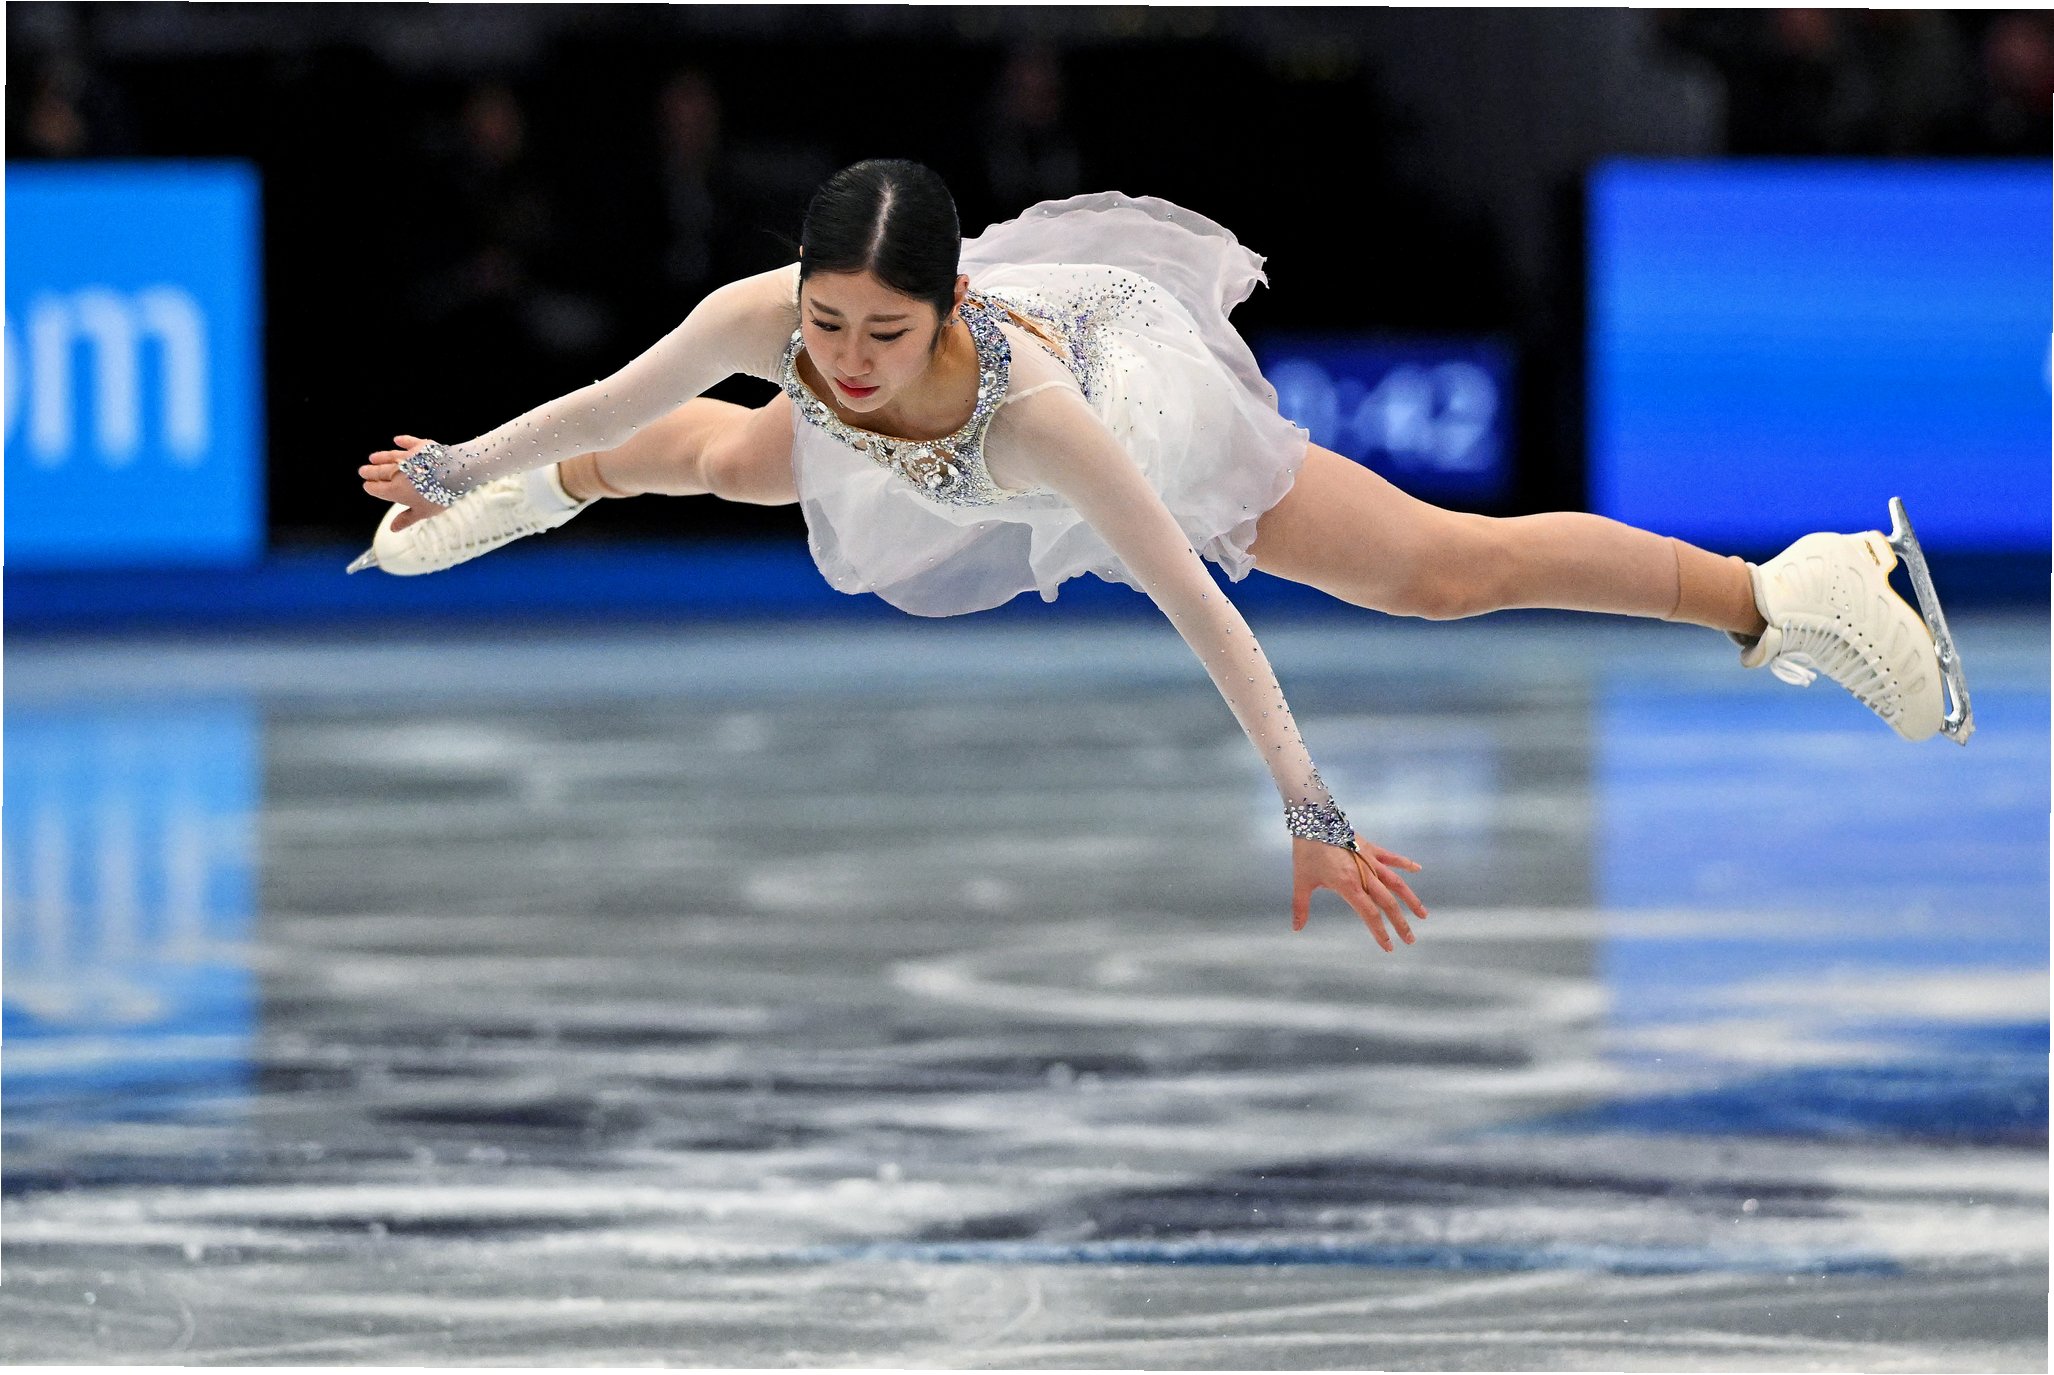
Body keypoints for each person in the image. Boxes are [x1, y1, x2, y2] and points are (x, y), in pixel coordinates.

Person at [350, 160, 1973, 947]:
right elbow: (623, 387)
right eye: (825, 324)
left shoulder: (1057, 430)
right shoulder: (783, 325)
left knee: (1435, 572)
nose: (843, 361)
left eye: (880, 334)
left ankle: (1786, 592)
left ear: (949, 310)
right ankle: (535, 501)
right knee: (724, 449)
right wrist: (451, 464)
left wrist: (1312, 812)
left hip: (1141, 403)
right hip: (947, 427)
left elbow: (1203, 612)